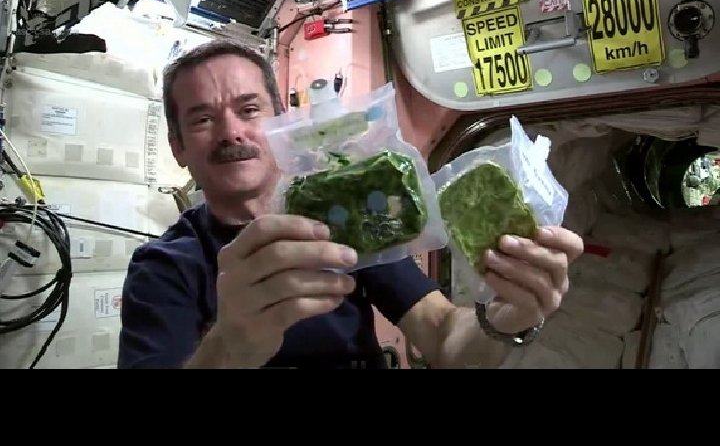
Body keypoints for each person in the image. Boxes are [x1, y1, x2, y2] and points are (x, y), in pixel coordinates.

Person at [117, 39, 584, 369]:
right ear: (178, 147)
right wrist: (229, 347)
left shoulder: (345, 218)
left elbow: (444, 336)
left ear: (282, 123)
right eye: (202, 119)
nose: (231, 132)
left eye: (249, 109)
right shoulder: (164, 267)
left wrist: (506, 318)